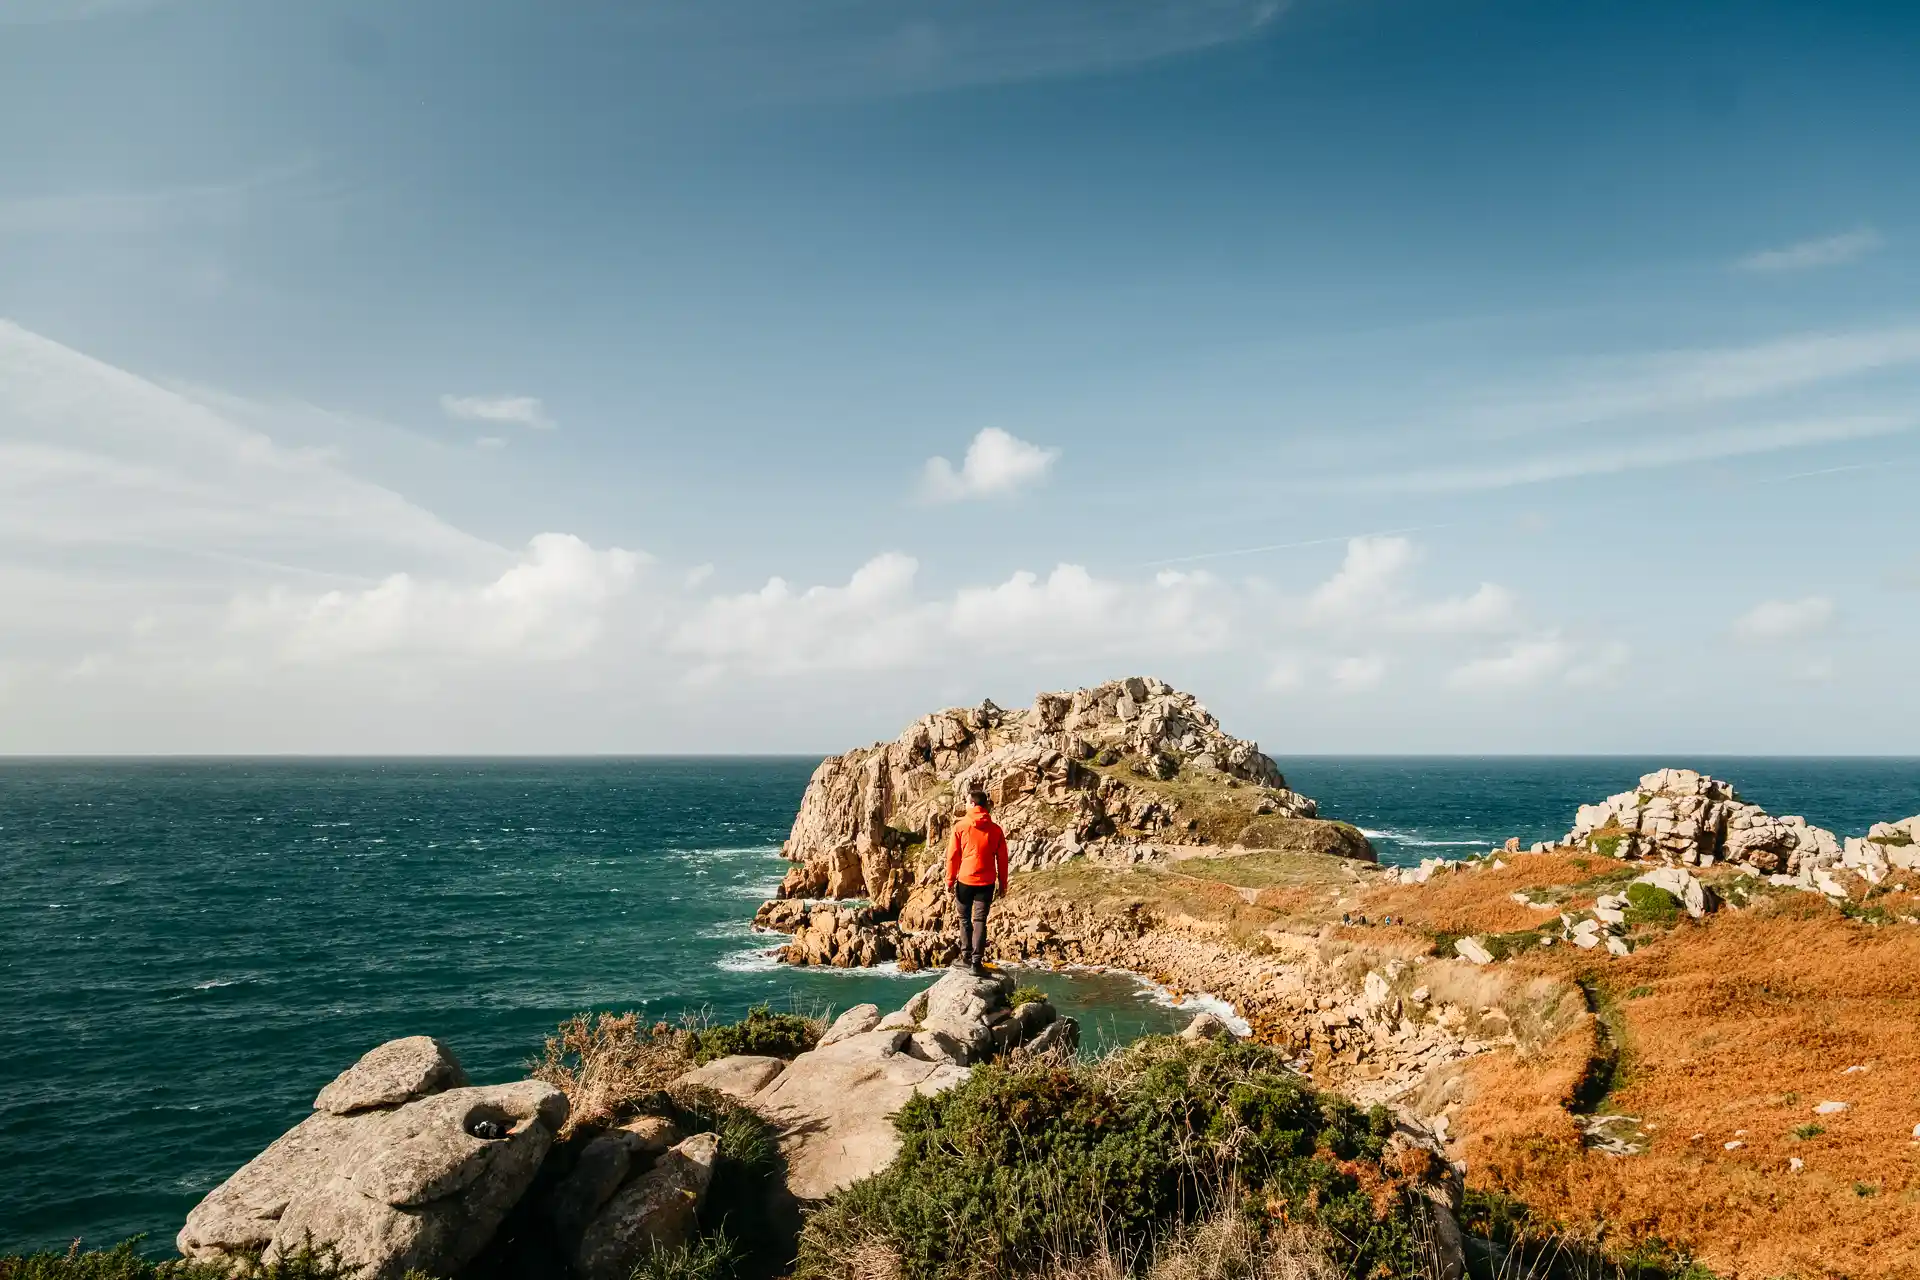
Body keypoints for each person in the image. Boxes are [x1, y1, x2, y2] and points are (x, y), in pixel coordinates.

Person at [946, 788, 1009, 976]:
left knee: (964, 918)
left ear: (973, 804)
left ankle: (965, 957)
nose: (965, 804)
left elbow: (952, 857)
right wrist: (1003, 883)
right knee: (980, 920)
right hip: (987, 882)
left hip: (965, 881)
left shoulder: (960, 826)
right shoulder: (996, 829)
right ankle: (976, 963)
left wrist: (949, 880)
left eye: (967, 801)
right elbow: (1003, 859)